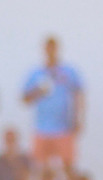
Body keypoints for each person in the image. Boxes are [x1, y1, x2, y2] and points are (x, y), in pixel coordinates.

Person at [21, 36, 85, 172]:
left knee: (68, 167)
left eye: (53, 48)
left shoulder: (68, 72)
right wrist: (38, 91)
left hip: (63, 128)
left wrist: (79, 119)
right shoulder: (36, 73)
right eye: (48, 48)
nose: (50, 51)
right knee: (41, 168)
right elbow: (24, 99)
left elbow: (78, 95)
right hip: (41, 128)